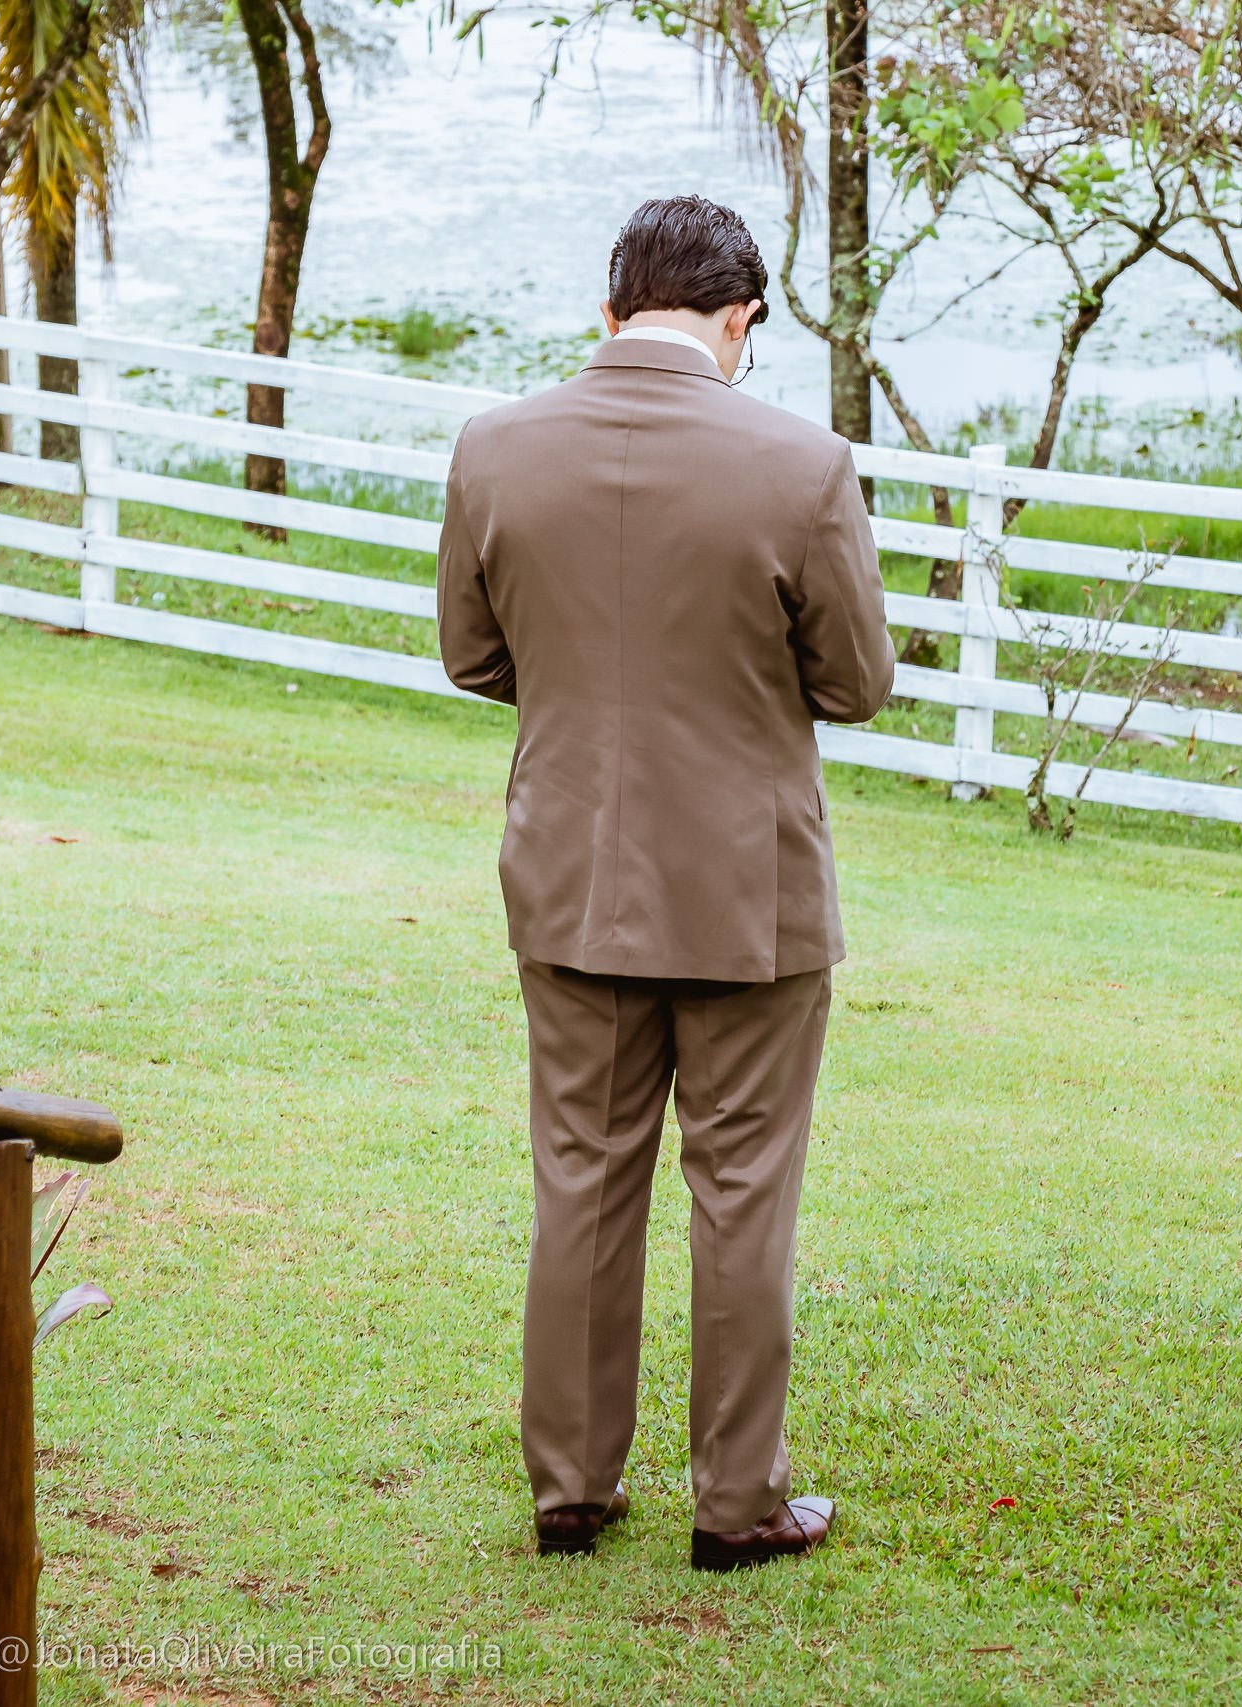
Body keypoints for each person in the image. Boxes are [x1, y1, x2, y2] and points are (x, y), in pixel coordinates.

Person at [436, 196, 894, 1571]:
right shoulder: (804, 466)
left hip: (569, 872)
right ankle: (737, 1501)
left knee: (582, 1176)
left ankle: (571, 1487)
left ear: (612, 307)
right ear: (739, 316)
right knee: (742, 1188)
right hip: (749, 894)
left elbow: (473, 654)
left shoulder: (496, 447)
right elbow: (857, 683)